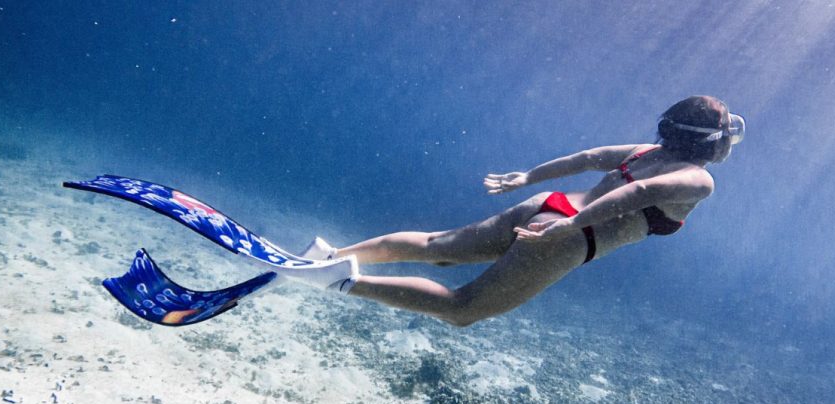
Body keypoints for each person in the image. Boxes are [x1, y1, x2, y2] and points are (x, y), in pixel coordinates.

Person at [297, 95, 745, 327]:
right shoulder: (700, 179)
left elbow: (588, 157)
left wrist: (529, 179)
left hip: (550, 206)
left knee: (440, 246)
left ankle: (330, 253)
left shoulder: (647, 149)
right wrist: (572, 225)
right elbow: (638, 194)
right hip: (569, 232)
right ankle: (341, 281)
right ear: (711, 142)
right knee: (463, 309)